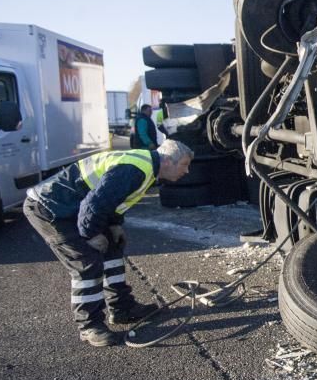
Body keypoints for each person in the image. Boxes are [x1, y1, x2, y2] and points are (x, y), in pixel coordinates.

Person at [23, 140, 194, 347]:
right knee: (86, 262)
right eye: (184, 164)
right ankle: (89, 326)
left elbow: (110, 199)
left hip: (71, 206)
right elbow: (94, 204)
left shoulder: (147, 167)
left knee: (112, 246)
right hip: (49, 208)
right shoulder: (135, 169)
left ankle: (122, 308)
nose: (187, 171)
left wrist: (114, 225)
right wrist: (91, 234)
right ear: (167, 161)